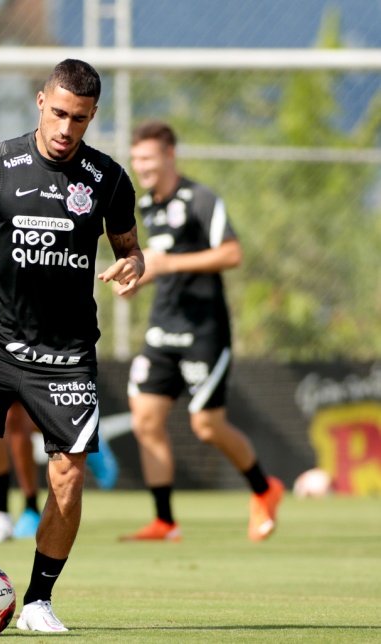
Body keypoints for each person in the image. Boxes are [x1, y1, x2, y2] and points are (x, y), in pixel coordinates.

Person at [0, 58, 143, 633]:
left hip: (65, 359)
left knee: (66, 479)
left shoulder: (109, 180)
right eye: (60, 113)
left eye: (81, 120)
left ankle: (38, 600)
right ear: (41, 102)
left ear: (93, 118)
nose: (67, 129)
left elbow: (128, 246)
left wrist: (133, 264)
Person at [120, 120, 284, 542]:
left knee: (207, 427)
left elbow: (231, 252)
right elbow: (158, 261)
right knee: (146, 419)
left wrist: (169, 264)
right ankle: (165, 521)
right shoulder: (147, 206)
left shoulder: (200, 198)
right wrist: (138, 280)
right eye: (136, 158)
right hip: (163, 329)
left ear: (170, 155)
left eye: (149, 158)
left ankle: (265, 491)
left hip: (204, 332)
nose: (142, 166)